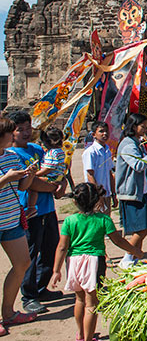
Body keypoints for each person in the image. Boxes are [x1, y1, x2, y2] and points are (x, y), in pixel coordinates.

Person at [51, 183, 141, 341]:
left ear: (75, 202)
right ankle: (89, 338)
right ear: (98, 201)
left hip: (73, 261)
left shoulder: (69, 221)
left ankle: (80, 334)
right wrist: (135, 251)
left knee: (79, 299)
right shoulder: (104, 219)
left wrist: (56, 270)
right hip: (94, 261)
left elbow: (62, 247)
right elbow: (118, 241)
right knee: (91, 303)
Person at [8, 111, 67, 314]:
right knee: (31, 253)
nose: (26, 133)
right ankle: (29, 296)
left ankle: (42, 288)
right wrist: (53, 187)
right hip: (28, 212)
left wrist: (62, 183)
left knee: (50, 247)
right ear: (11, 132)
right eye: (20, 130)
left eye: (28, 128)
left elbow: (55, 169)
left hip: (47, 208)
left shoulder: (37, 149)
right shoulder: (11, 155)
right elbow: (32, 182)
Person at [0, 117, 37, 334]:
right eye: (10, 132)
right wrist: (6, 178)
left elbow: (21, 186)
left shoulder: (12, 156)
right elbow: (6, 181)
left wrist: (29, 176)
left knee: (22, 263)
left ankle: (8, 312)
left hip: (11, 219)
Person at [116, 113, 147, 267]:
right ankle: (128, 257)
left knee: (146, 227)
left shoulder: (137, 143)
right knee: (141, 229)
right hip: (132, 193)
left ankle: (135, 259)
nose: (145, 129)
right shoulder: (128, 144)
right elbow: (139, 165)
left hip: (142, 192)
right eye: (142, 126)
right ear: (134, 126)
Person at [27, 127, 68, 215]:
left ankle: (31, 207)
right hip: (58, 176)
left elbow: (48, 168)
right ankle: (59, 186)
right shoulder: (60, 151)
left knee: (33, 186)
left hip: (51, 177)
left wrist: (36, 174)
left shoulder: (51, 153)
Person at [82, 122, 116, 214]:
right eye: (101, 131)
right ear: (94, 134)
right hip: (95, 195)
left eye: (106, 131)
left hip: (106, 193)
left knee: (106, 220)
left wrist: (113, 193)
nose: (105, 134)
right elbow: (90, 175)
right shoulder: (90, 152)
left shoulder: (107, 151)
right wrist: (97, 195)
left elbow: (109, 173)